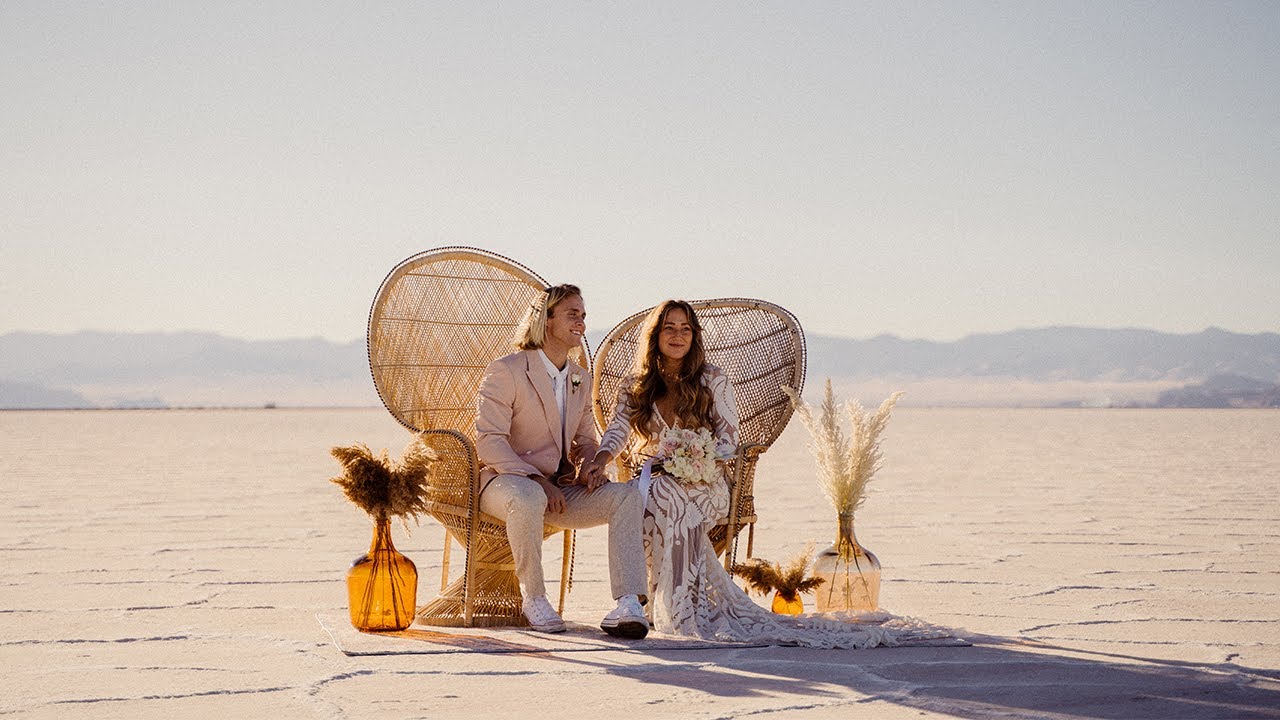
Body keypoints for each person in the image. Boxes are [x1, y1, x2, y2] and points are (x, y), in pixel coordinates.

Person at [581, 300, 932, 648]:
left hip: (707, 482)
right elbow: (617, 431)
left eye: (685, 328)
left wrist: (693, 458)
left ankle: (666, 609)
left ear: (694, 336)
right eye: (669, 328)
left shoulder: (712, 379)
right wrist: (601, 457)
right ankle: (662, 606)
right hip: (654, 480)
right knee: (655, 495)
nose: (678, 335)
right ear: (655, 335)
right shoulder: (635, 385)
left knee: (665, 497)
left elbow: (729, 442)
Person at [475, 284, 649, 638]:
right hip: (502, 484)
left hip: (556, 488)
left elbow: (585, 439)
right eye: (573, 314)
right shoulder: (506, 370)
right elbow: (489, 441)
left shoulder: (579, 378)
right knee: (528, 496)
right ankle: (534, 598)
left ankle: (628, 603)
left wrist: (591, 465)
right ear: (547, 319)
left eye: (584, 316)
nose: (581, 323)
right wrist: (537, 480)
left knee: (626, 496)